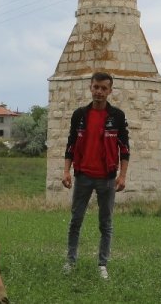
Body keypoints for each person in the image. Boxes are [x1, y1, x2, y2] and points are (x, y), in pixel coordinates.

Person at [61, 71, 130, 280]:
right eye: (96, 87)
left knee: (105, 223)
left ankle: (102, 264)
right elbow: (71, 145)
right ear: (90, 87)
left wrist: (122, 176)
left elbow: (125, 149)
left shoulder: (117, 116)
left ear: (110, 91)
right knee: (76, 221)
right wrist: (66, 171)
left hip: (107, 178)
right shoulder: (79, 115)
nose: (99, 92)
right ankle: (71, 261)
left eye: (103, 88)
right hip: (83, 177)